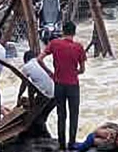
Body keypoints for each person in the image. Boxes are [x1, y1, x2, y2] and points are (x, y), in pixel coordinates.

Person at [40, 21, 87, 150]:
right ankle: (71, 144)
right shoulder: (78, 47)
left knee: (61, 115)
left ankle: (61, 145)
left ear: (63, 31)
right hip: (73, 85)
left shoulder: (54, 44)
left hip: (59, 84)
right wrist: (74, 72)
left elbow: (39, 59)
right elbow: (83, 69)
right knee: (74, 115)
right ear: (74, 32)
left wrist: (50, 73)